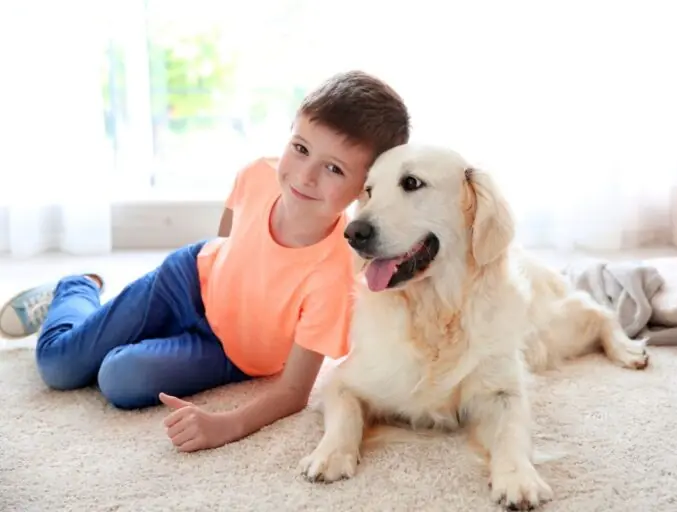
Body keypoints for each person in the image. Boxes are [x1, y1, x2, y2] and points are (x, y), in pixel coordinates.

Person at [0, 70, 411, 453]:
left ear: (366, 188)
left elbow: (294, 392)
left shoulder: (334, 274)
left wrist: (225, 425)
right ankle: (77, 287)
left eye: (334, 169)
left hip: (228, 353)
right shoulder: (257, 176)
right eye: (300, 148)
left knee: (119, 379)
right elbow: (226, 237)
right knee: (58, 365)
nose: (304, 176)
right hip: (185, 281)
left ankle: (111, 326)